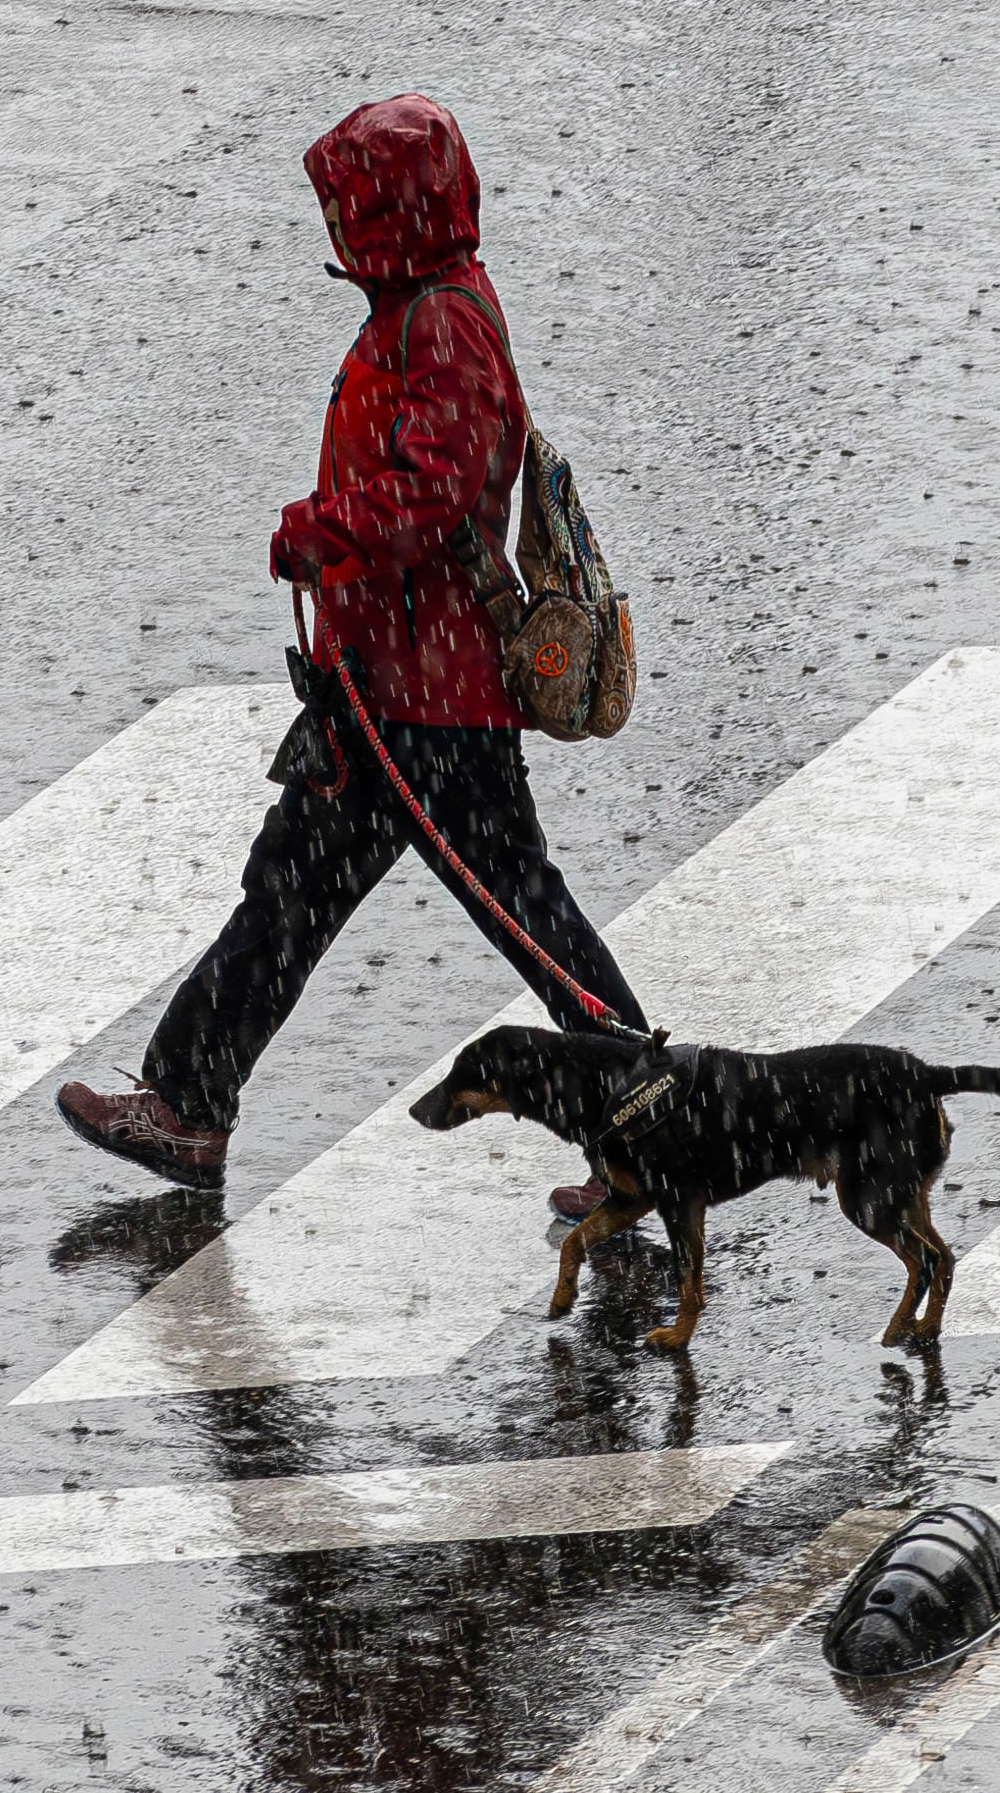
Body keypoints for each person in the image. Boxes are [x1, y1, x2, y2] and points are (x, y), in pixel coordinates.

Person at [56, 93, 642, 1217]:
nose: (332, 228)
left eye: (346, 208)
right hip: (383, 687)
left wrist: (319, 530)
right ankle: (185, 1101)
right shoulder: (421, 305)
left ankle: (649, 1116)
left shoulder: (440, 324)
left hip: (429, 702)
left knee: (518, 912)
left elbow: (434, 490)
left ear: (388, 214)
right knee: (296, 895)